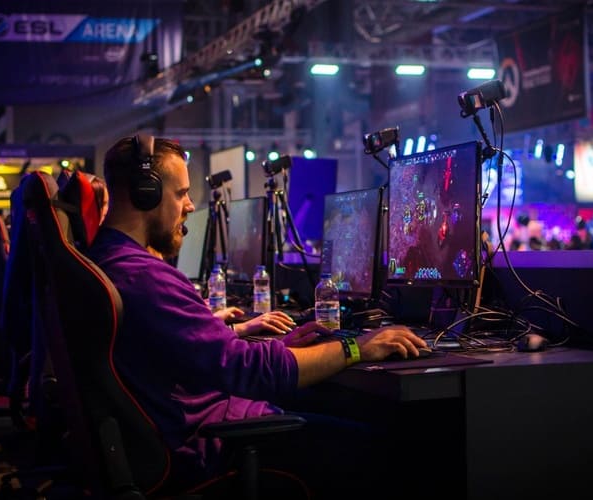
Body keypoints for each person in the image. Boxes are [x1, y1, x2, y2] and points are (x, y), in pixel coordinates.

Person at [87, 134, 428, 498]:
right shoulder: (143, 277)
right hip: (210, 449)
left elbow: (208, 356)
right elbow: (244, 369)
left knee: (336, 406)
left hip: (185, 432)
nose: (189, 205)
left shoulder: (104, 262)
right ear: (146, 194)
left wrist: (283, 347)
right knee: (388, 450)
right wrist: (357, 348)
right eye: (181, 193)